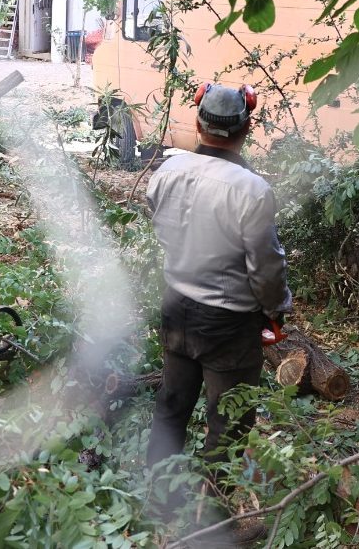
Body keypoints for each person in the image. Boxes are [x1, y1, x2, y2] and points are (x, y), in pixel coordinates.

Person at [145, 82, 293, 472]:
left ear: (198, 123)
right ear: (246, 128)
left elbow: (159, 226)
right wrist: (275, 309)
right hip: (229, 323)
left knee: (172, 407)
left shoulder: (169, 170)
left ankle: (157, 500)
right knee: (228, 423)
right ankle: (213, 517)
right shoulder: (252, 190)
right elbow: (265, 267)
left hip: (176, 305)